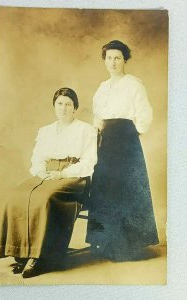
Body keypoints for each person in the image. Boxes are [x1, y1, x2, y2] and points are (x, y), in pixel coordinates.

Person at [0, 87, 97, 278]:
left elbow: (88, 162)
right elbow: (37, 158)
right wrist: (40, 172)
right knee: (16, 195)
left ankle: (44, 258)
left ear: (75, 107)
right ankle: (22, 254)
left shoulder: (85, 130)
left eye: (68, 104)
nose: (64, 108)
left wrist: (63, 174)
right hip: (48, 174)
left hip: (73, 178)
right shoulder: (45, 131)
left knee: (45, 198)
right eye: (60, 103)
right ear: (54, 106)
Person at [86, 40, 159, 261]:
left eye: (117, 57)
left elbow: (144, 115)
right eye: (109, 58)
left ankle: (128, 247)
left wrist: (129, 134)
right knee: (106, 189)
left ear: (125, 59)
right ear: (104, 60)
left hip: (126, 143)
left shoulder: (134, 84)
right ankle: (105, 243)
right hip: (105, 143)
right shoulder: (102, 87)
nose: (113, 62)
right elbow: (97, 117)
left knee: (127, 190)